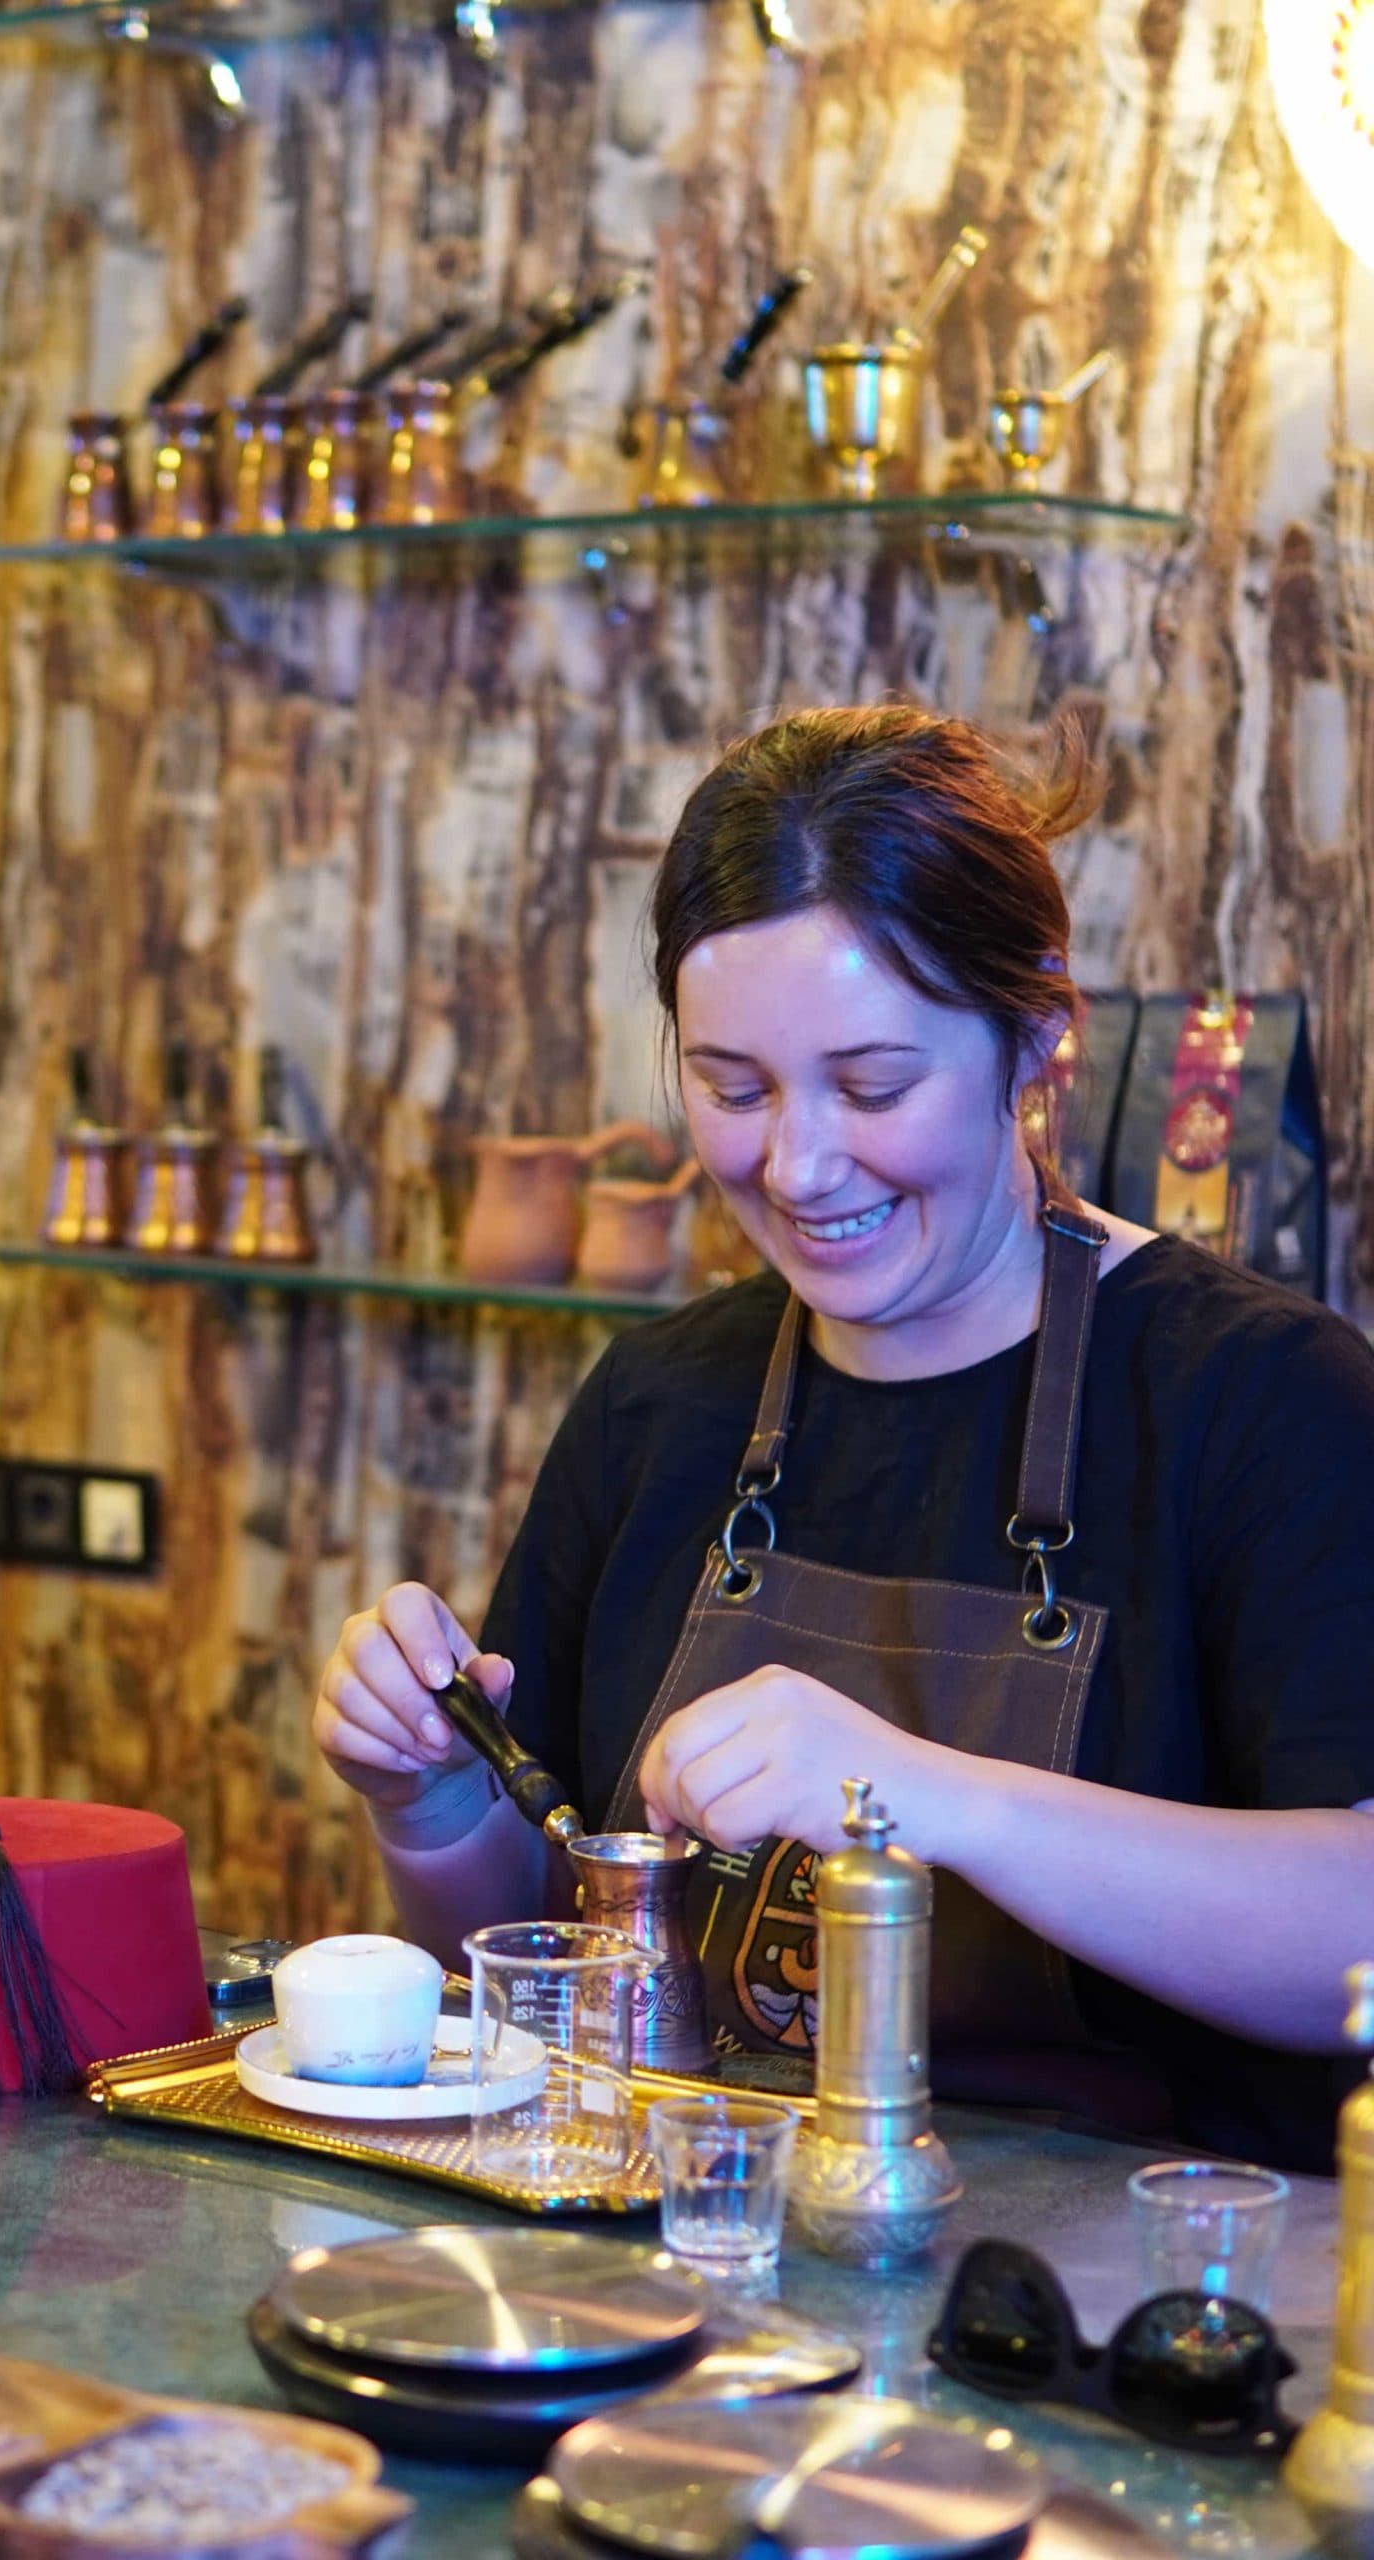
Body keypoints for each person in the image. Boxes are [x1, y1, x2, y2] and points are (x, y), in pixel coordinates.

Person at [312, 707, 1374, 2167]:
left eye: (873, 1086)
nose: (797, 1165)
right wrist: (430, 1805)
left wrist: (923, 1796)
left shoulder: (1259, 1401)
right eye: (731, 1087)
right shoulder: (659, 1403)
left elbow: (1358, 1933)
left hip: (1111, 2308)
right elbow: (551, 1964)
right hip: (700, 2248)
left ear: (1036, 1039)